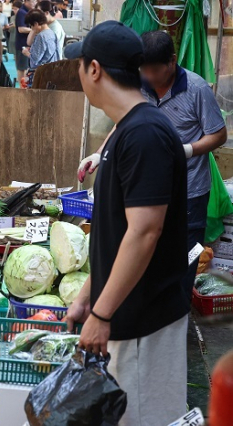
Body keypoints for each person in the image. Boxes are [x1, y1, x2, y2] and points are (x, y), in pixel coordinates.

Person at [64, 21, 191, 426]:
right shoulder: (127, 129)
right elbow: (118, 230)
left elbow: (145, 231)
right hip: (125, 311)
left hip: (143, 318)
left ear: (95, 69)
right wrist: (88, 295)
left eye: (80, 64)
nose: (80, 73)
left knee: (143, 416)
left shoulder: (145, 134)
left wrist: (101, 315)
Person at [78, 31, 228, 303]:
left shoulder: (196, 89)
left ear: (171, 61)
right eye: (143, 69)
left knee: (186, 254)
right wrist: (99, 154)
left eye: (154, 70)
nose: (147, 76)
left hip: (190, 190)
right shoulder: (140, 85)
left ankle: (179, 309)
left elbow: (219, 134)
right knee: (148, 251)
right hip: (152, 188)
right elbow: (124, 122)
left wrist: (188, 149)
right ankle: (153, 310)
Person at [22, 9, 58, 87]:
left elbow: (35, 59)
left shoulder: (41, 36)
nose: (31, 29)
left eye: (31, 26)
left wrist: (27, 53)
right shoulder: (52, 33)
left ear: (36, 24)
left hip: (40, 75)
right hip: (51, 72)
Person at [14, 0, 34, 79]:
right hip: (22, 45)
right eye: (33, 1)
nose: (34, 3)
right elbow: (21, 29)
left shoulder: (28, 12)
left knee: (26, 68)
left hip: (27, 45)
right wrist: (34, 30)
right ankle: (22, 89)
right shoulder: (22, 12)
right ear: (26, 1)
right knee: (22, 69)